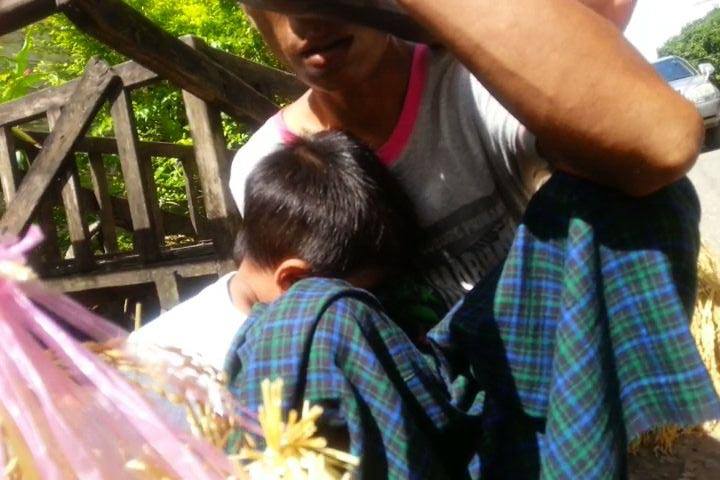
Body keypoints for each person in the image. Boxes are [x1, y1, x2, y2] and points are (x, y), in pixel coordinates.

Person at [229, 0, 700, 308]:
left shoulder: (474, 85)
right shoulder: (262, 167)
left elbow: (662, 144)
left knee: (652, 204)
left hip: (541, 374)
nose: (307, 16)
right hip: (419, 406)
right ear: (249, 14)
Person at [129, 131, 416, 371]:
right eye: (366, 296)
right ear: (292, 280)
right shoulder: (215, 369)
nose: (378, 309)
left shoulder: (157, 344)